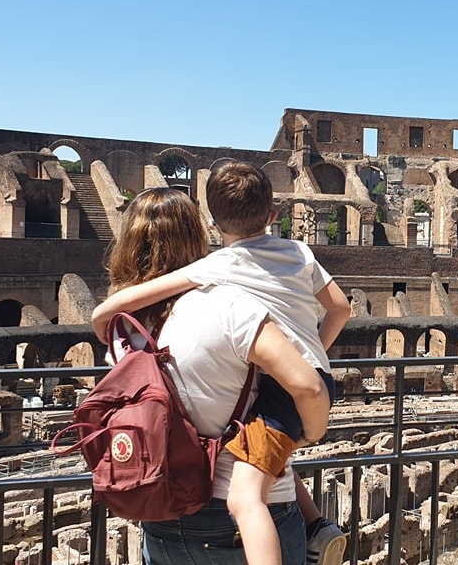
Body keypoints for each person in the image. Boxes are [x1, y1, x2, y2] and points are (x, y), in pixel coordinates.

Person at [92, 164, 352, 565]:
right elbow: (332, 330)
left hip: (162, 505)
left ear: (215, 225)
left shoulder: (124, 336)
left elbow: (144, 295)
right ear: (274, 214)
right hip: (254, 500)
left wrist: (106, 313)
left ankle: (317, 526)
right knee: (249, 493)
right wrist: (315, 418)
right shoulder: (281, 266)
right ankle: (318, 526)